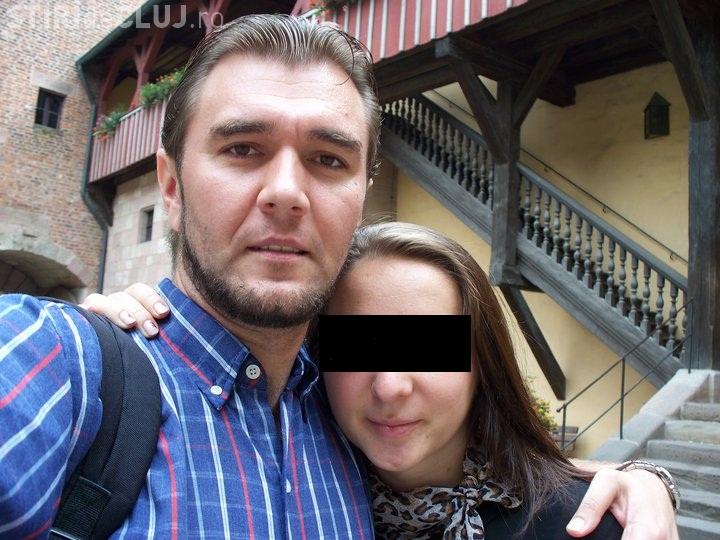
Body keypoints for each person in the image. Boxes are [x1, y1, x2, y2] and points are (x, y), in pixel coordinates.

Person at [0, 14, 676, 540]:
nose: (285, 192)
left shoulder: (338, 414)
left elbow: (489, 468)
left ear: (361, 195)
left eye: (328, 159)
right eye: (243, 148)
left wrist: (638, 478)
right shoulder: (61, 366)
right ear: (170, 186)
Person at [95, 223, 677, 539]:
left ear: (481, 364)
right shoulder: (300, 504)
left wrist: (646, 479)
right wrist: (117, 343)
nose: (392, 386)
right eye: (360, 347)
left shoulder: (587, 525)